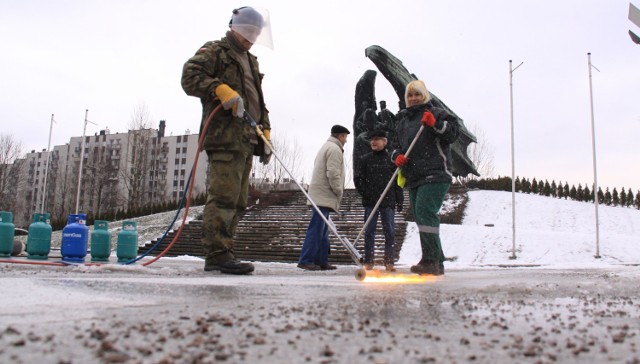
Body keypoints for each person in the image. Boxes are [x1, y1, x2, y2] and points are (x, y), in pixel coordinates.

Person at [181, 7, 273, 275]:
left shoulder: (251, 61)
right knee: (223, 197)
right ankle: (217, 254)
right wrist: (218, 89)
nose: (252, 37)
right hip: (224, 137)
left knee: (239, 200)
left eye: (256, 32)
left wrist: (265, 130)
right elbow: (189, 76)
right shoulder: (216, 51)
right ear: (235, 27)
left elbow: (258, 101)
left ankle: (225, 249)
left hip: (246, 139)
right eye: (248, 31)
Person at [391, 80, 459, 276]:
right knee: (422, 217)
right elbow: (395, 146)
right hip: (413, 175)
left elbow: (453, 134)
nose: (413, 99)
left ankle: (430, 260)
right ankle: (437, 261)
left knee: (425, 212)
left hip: (436, 171)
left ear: (424, 95)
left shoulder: (436, 113)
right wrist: (397, 156)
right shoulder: (402, 121)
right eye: (410, 96)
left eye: (417, 95)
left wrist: (435, 124)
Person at [297, 125, 350, 271]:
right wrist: (338, 190)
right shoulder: (334, 149)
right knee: (317, 228)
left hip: (320, 194)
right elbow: (333, 173)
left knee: (322, 229)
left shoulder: (326, 147)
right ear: (341, 136)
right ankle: (306, 259)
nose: (346, 141)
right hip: (324, 194)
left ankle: (321, 260)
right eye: (345, 137)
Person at [354, 130, 403, 272]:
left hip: (387, 202)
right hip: (371, 202)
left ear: (384, 141)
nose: (373, 142)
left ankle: (389, 262)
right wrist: (365, 193)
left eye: (377, 139)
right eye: (371, 140)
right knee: (369, 232)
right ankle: (369, 261)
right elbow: (358, 179)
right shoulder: (365, 160)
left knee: (390, 232)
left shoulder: (391, 160)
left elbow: (397, 181)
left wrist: (399, 199)